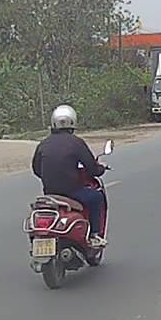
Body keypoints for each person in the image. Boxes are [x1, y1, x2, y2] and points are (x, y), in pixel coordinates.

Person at [32, 105, 108, 247]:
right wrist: (101, 169)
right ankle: (94, 235)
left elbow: (36, 169)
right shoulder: (76, 143)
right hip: (72, 192)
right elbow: (92, 168)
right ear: (72, 122)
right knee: (96, 197)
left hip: (50, 193)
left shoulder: (43, 144)